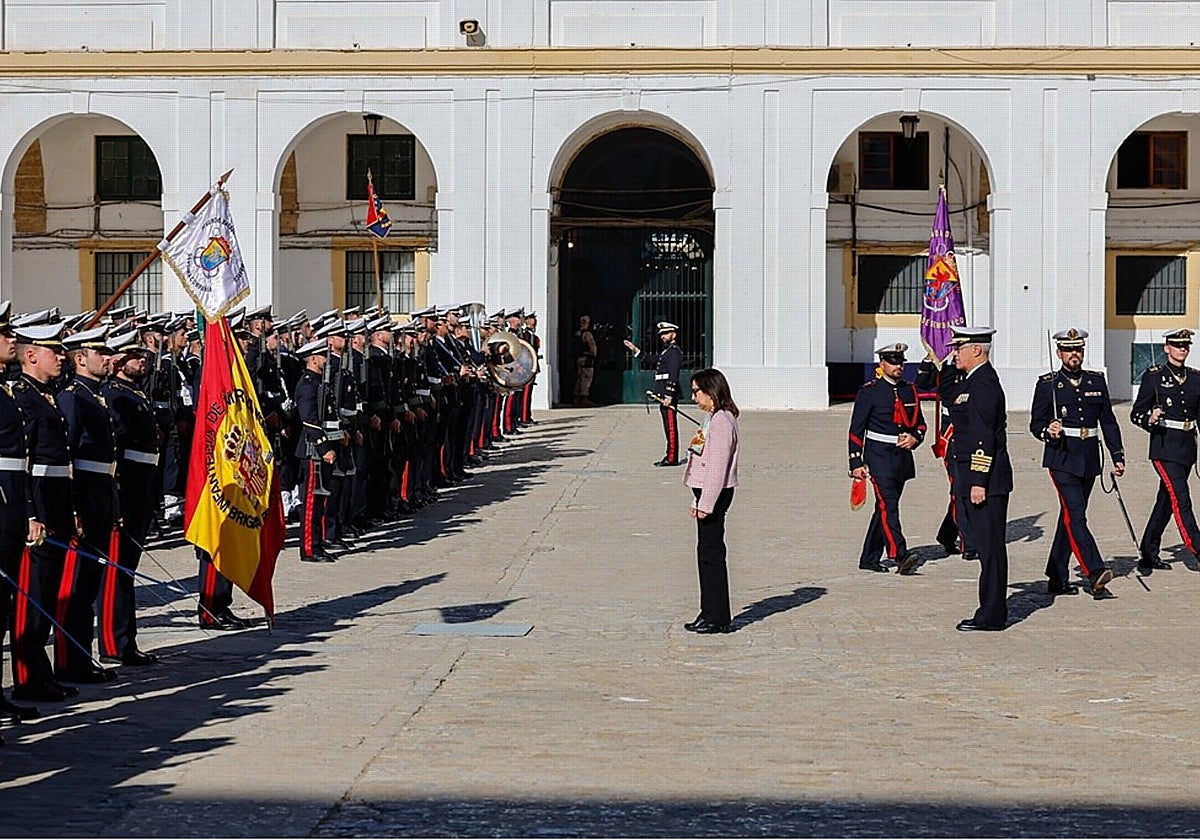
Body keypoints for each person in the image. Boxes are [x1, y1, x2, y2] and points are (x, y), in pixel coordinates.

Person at [1029, 328, 1123, 598]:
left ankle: (1056, 577)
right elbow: (1035, 424)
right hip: (1062, 457)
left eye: (1078, 350)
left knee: (1069, 518)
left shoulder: (1096, 381)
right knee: (1077, 515)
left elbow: (1108, 421)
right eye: (1069, 350)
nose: (1074, 355)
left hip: (1089, 458)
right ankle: (1095, 571)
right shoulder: (1048, 384)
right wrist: (1049, 430)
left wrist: (1118, 455)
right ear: (1059, 353)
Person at [944, 326, 1013, 632]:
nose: (954, 352)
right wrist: (943, 363)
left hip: (986, 481)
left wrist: (977, 481)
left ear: (976, 349)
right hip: (975, 477)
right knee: (986, 548)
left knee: (990, 549)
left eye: (959, 347)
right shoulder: (971, 381)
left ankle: (992, 614)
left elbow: (984, 438)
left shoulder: (984, 385)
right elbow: (948, 397)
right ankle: (990, 609)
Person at [848, 343, 927, 574]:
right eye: (893, 362)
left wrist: (915, 438)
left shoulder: (909, 390)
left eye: (901, 361)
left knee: (883, 507)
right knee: (888, 505)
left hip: (901, 457)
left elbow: (920, 423)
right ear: (882, 364)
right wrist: (855, 462)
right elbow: (856, 429)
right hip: (878, 457)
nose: (898, 366)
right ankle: (899, 555)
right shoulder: (870, 391)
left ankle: (869, 558)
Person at [1130, 327, 1200, 571]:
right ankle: (1197, 547)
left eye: (1186, 345)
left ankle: (1148, 551)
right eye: (1178, 344)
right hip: (1165, 447)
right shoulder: (1154, 376)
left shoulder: (1195, 377)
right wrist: (1150, 417)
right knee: (1182, 498)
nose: (1183, 349)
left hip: (1187, 448)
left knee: (1167, 501)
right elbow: (1135, 413)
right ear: (1166, 348)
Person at [682, 368, 739, 634]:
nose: (694, 397)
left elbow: (717, 467)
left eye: (696, 391)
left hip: (713, 493)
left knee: (712, 555)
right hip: (706, 492)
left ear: (710, 391)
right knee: (705, 554)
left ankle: (717, 617)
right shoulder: (711, 418)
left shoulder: (722, 422)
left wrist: (705, 503)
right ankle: (708, 611)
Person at [625, 321, 684, 466]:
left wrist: (669, 395)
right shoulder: (667, 352)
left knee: (670, 427)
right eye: (661, 334)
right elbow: (652, 360)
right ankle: (670, 455)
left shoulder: (674, 352)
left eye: (665, 333)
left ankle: (672, 457)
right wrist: (635, 350)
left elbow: (673, 375)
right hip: (663, 395)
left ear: (673, 334)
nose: (662, 336)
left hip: (667, 396)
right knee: (667, 426)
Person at [574, 315, 598, 406]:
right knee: (586, 378)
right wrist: (594, 354)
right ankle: (583, 397)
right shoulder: (587, 334)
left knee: (579, 377)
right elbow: (592, 346)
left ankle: (577, 397)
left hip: (579, 358)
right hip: (587, 358)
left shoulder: (577, 333)